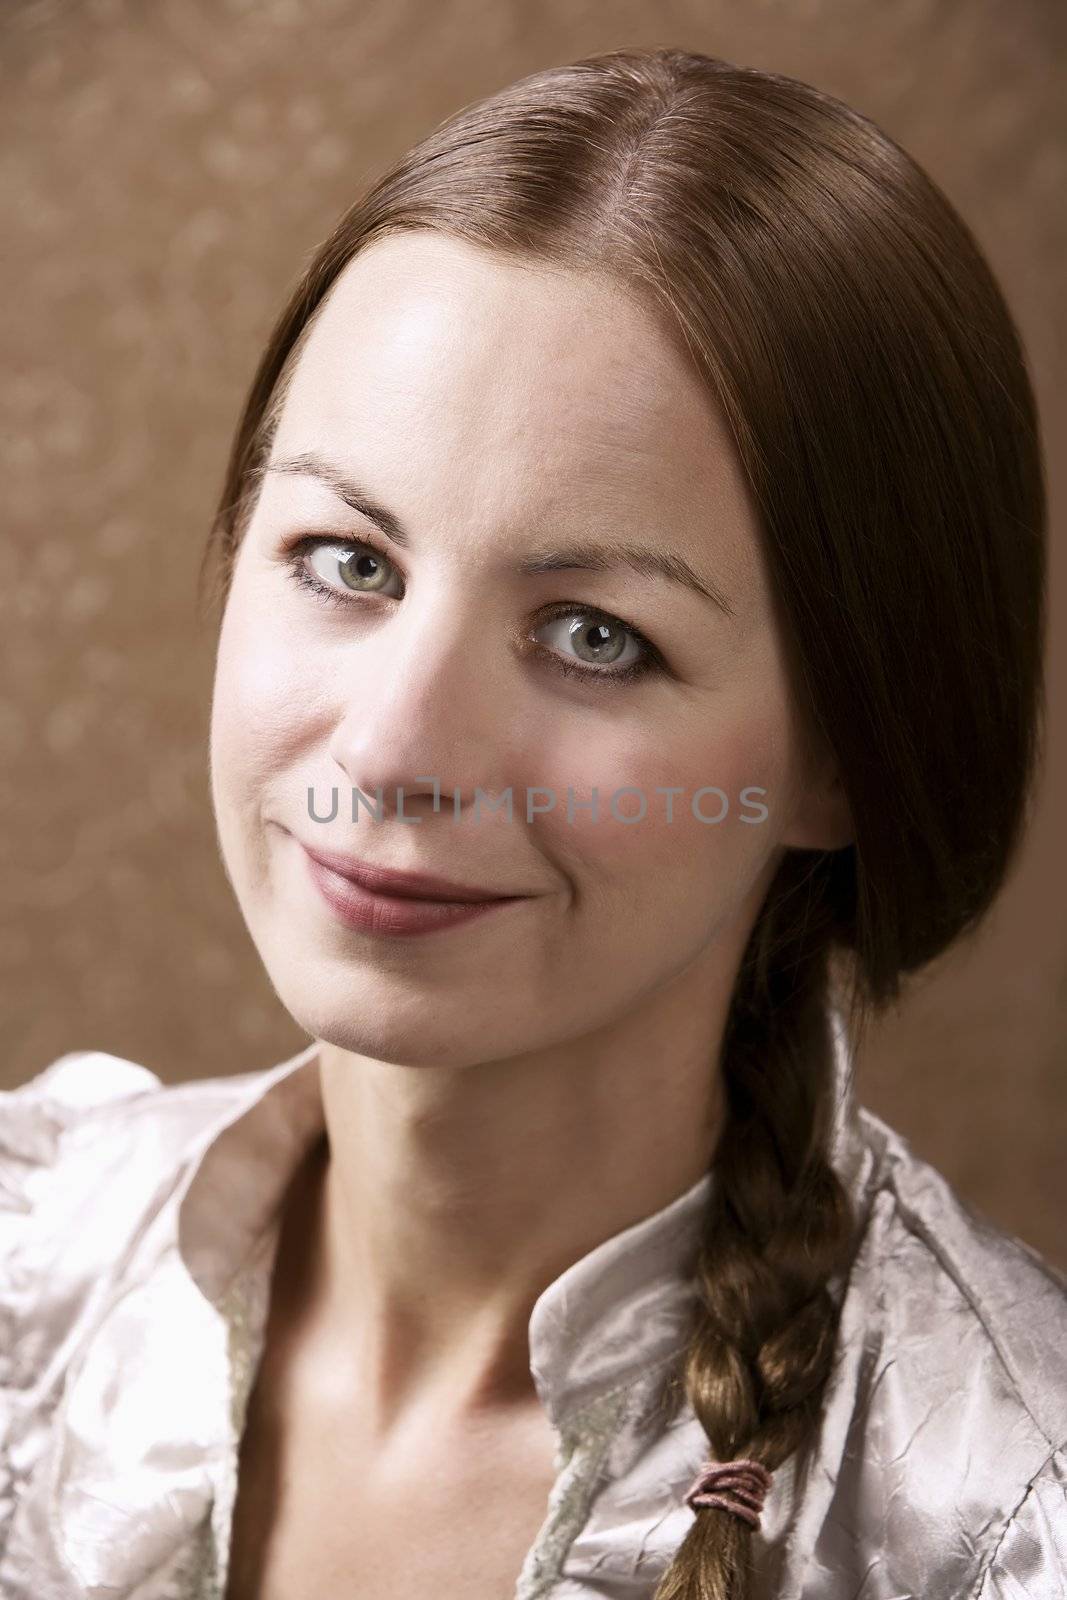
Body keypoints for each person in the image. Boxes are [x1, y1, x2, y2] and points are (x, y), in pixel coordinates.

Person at [1, 43, 1063, 1600]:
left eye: (594, 637)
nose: (390, 747)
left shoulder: (1008, 1520)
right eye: (349, 560)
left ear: (843, 755)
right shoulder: (24, 1265)